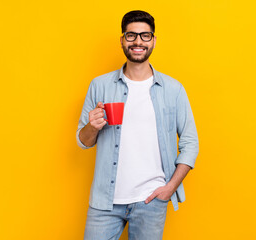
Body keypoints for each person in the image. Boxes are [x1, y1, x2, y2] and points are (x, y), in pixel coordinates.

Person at [76, 10, 199, 240]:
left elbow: (191, 143)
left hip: (151, 201)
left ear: (153, 40)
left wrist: (170, 187)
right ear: (122, 40)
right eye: (131, 35)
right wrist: (92, 126)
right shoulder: (100, 85)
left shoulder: (173, 89)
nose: (138, 42)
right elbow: (83, 142)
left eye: (145, 35)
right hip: (104, 202)